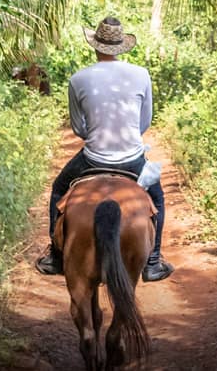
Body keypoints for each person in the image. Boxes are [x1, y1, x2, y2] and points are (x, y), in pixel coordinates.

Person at [35, 16, 174, 282]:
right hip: (133, 158)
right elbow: (145, 121)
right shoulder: (141, 74)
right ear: (122, 46)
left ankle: (55, 256)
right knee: (156, 197)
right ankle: (153, 262)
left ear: (95, 45)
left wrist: (98, 136)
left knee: (58, 189)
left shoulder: (78, 79)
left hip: (92, 158)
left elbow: (79, 128)